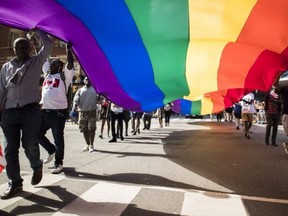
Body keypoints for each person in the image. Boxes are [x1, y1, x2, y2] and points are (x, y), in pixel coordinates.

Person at [0, 29, 52, 199]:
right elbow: (1, 90)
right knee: (9, 150)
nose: (21, 50)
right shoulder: (6, 67)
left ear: (30, 48)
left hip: (30, 110)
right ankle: (15, 184)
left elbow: (49, 44)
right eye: (18, 47)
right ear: (14, 49)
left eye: (24, 47)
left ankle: (36, 165)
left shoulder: (36, 62)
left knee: (29, 144)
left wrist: (38, 30)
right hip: (9, 112)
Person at [38, 43, 74, 174]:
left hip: (58, 113)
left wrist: (68, 50)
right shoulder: (47, 74)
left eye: (53, 64)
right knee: (36, 134)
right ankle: (51, 150)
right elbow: (42, 58)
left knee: (58, 138)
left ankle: (58, 163)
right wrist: (40, 41)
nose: (50, 66)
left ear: (59, 67)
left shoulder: (65, 76)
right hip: (44, 111)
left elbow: (69, 64)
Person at [73, 77, 101, 152]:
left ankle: (91, 145)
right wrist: (75, 105)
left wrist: (99, 98)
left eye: (89, 79)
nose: (87, 80)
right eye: (86, 79)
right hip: (82, 112)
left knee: (91, 129)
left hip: (92, 111)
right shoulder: (80, 90)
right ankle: (87, 144)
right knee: (84, 129)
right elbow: (76, 99)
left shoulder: (95, 90)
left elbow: (100, 100)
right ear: (84, 81)